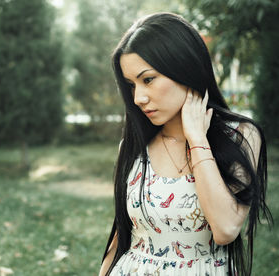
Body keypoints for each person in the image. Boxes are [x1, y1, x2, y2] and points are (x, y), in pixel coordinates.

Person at [99, 12, 273, 276]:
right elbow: (122, 238)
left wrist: (197, 139)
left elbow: (226, 229)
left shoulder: (241, 135)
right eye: (131, 85)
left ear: (184, 68)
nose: (138, 98)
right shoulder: (134, 146)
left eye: (147, 79)